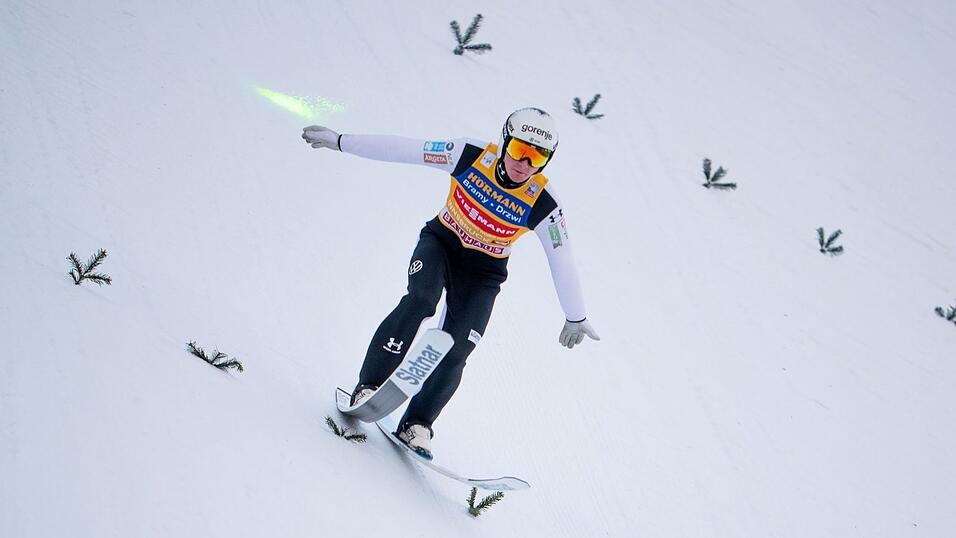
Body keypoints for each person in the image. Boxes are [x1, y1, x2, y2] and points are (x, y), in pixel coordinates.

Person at [302, 107, 599, 459]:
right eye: (520, 150)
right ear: (504, 141)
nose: (524, 164)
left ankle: (418, 423)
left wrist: (576, 315)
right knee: (421, 300)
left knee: (459, 346)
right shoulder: (468, 155)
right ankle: (369, 386)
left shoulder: (544, 203)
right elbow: (404, 149)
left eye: (537, 157)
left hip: (484, 273)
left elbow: (561, 258)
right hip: (441, 244)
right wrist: (341, 142)